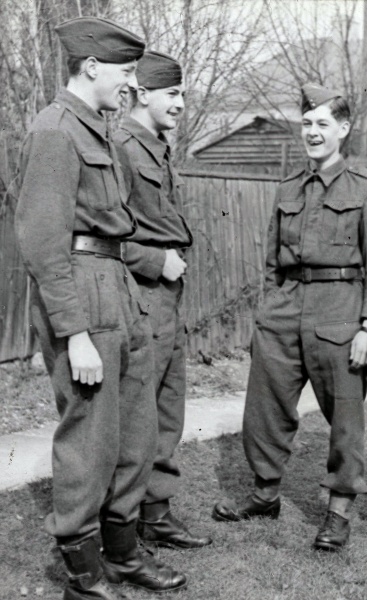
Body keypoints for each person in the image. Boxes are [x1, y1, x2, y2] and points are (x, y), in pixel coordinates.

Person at [16, 17, 187, 600]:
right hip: (82, 291)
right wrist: (75, 333)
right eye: (124, 72)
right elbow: (42, 241)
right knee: (90, 438)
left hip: (120, 286)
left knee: (135, 434)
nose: (131, 84)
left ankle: (122, 555)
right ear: (91, 67)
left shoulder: (99, 130)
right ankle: (84, 576)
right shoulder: (55, 130)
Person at [212, 83, 367, 551]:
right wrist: (271, 307)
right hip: (284, 307)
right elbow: (272, 261)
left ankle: (338, 512)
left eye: (322, 124)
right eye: (306, 123)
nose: (312, 133)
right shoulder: (289, 186)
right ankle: (265, 493)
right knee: (265, 406)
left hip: (339, 308)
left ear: (344, 128)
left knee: (345, 417)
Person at [113, 50, 211, 550]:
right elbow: (98, 234)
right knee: (138, 415)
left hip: (166, 299)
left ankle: (157, 512)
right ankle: (123, 525)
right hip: (140, 295)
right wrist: (155, 262)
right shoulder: (121, 147)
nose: (181, 103)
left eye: (182, 93)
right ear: (142, 93)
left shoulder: (155, 146)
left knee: (168, 409)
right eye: (172, 94)